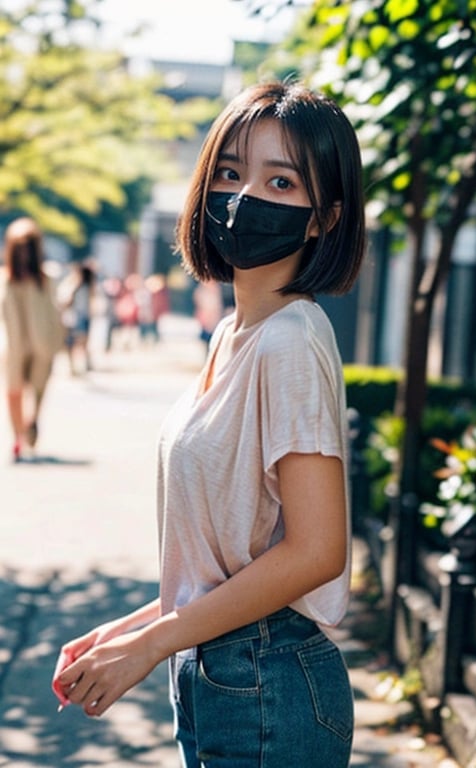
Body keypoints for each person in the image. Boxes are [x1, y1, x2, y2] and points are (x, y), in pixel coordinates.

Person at [52, 80, 366, 767]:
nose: (244, 195)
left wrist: (153, 643)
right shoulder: (235, 333)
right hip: (225, 676)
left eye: (280, 181)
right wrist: (134, 628)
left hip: (268, 685)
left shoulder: (288, 342)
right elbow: (229, 554)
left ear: (323, 218)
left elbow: (317, 552)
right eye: (229, 172)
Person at [1, 217, 65, 461]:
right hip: (14, 346)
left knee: (38, 389)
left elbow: (54, 312)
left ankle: (31, 422)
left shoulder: (46, 279)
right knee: (13, 391)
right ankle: (18, 436)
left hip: (43, 345)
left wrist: (57, 340)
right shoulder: (6, 280)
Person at [59, 260, 96, 375]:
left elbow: (66, 302)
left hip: (76, 317)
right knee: (81, 342)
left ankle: (74, 365)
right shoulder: (87, 286)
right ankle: (79, 364)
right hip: (81, 317)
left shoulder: (77, 286)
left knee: (74, 342)